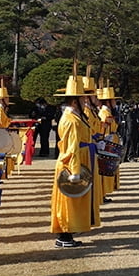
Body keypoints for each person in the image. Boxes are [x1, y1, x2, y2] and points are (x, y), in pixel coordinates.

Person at [51, 75, 94, 248]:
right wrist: (75, 171)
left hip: (77, 159)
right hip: (70, 163)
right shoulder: (70, 120)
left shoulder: (75, 117)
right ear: (75, 101)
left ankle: (68, 233)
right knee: (67, 200)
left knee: (72, 200)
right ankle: (64, 235)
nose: (85, 100)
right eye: (82, 98)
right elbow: (72, 147)